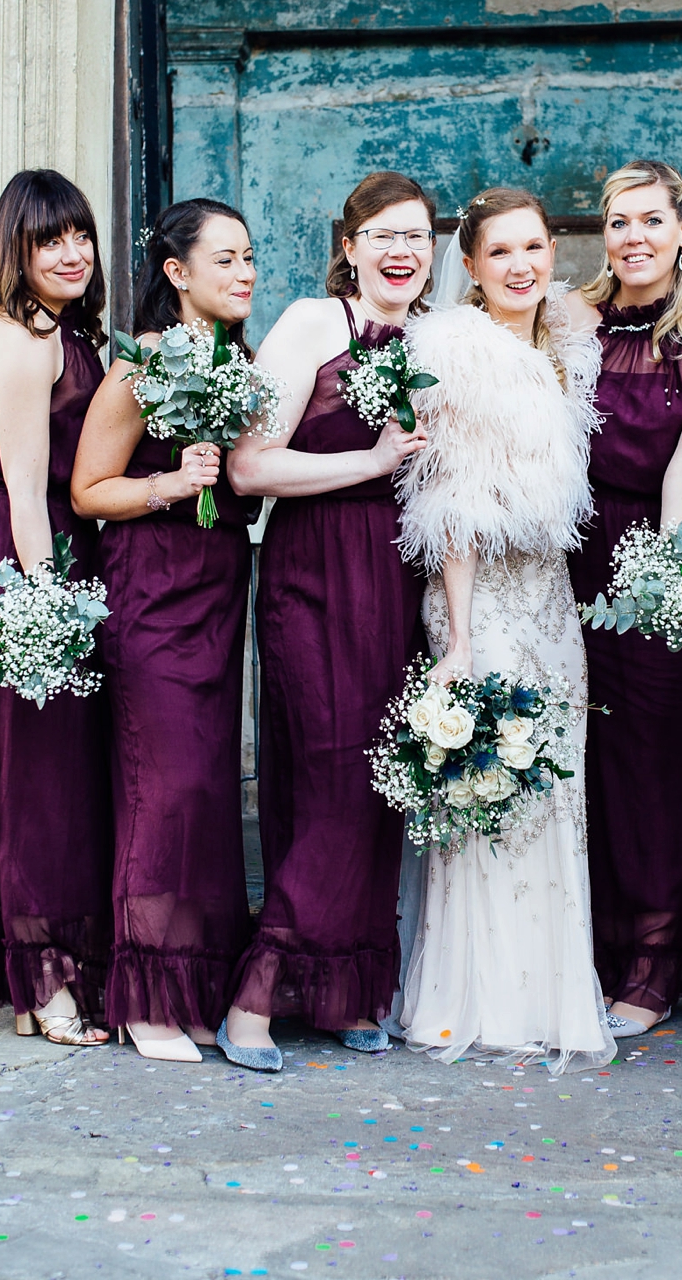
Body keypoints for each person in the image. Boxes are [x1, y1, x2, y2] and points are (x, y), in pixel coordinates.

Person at [395, 187, 615, 1074]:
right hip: (480, 599)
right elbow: (448, 509)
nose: (523, 266)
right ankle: (475, 998)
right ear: (473, 268)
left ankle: (549, 992)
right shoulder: (454, 353)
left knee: (555, 789)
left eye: (535, 247)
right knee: (490, 789)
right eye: (501, 254)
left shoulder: (566, 343)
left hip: (552, 599)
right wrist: (455, 641)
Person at [223, 172, 435, 1067]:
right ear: (349, 246)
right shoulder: (316, 323)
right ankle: (255, 1000)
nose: (402, 252)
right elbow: (248, 469)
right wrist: (373, 461)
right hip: (312, 572)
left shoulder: (433, 338)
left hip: (394, 575)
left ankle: (347, 992)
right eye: (384, 235)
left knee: (380, 783)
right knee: (333, 777)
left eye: (419, 237)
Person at [71, 199, 261, 1062]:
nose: (245, 272)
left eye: (250, 257)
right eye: (224, 260)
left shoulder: (244, 363)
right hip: (151, 587)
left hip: (220, 588)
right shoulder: (139, 366)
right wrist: (170, 486)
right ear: (177, 274)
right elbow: (88, 489)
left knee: (212, 794)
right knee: (165, 789)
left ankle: (194, 990)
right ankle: (145, 997)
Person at [566, 160, 682, 1035]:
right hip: (563, 552)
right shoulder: (570, 315)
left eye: (649, 220)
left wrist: (659, 575)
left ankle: (650, 965)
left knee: (649, 764)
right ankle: (581, 952)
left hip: (649, 557)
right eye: (616, 222)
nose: (632, 237)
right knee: (576, 754)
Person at [0, 170, 112, 1045]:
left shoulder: (69, 333)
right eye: (51, 239)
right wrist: (43, 609)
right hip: (24, 563)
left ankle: (38, 982)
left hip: (61, 555)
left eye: (80, 234)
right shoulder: (19, 341)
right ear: (17, 249)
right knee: (38, 787)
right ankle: (47, 988)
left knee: (55, 780)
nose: (72, 252)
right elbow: (22, 490)